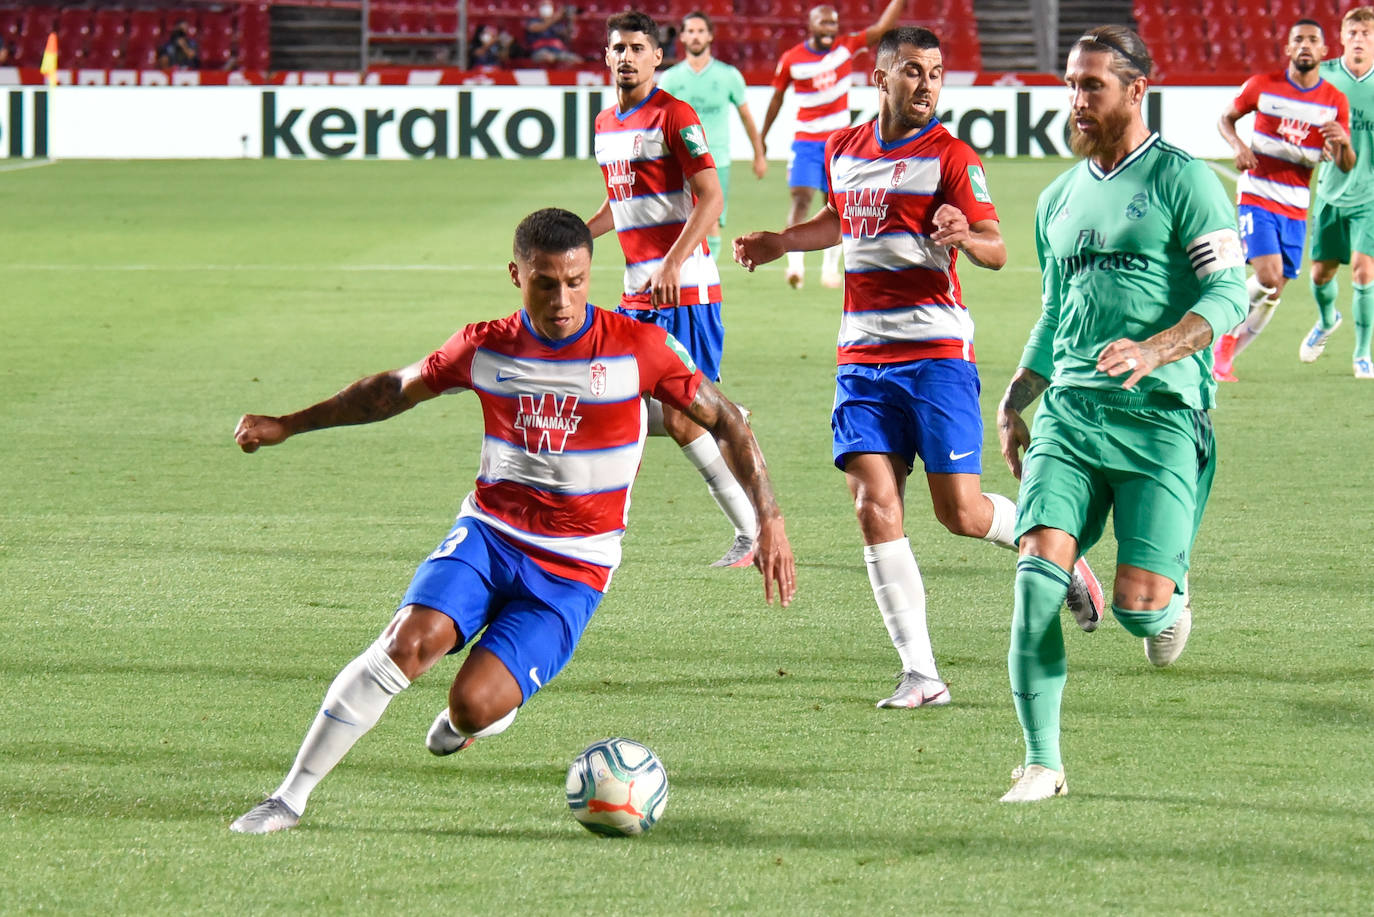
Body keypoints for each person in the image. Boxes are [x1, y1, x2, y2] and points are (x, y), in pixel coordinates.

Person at [228, 208, 796, 835]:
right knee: (405, 645)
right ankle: (289, 798)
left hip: (575, 567)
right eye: (545, 283)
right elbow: (391, 390)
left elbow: (727, 420)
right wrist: (289, 424)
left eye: (576, 282)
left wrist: (768, 519)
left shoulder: (639, 348)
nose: (562, 300)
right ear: (516, 275)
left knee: (472, 706)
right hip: (490, 535)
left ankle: (473, 720)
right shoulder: (486, 346)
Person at [735, 27, 1104, 711]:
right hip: (861, 360)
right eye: (912, 70)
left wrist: (967, 235)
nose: (927, 83)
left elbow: (996, 248)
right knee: (873, 504)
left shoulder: (951, 156)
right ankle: (921, 673)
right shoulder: (842, 148)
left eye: (935, 72)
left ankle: (1058, 548)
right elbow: (842, 219)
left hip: (935, 356)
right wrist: (782, 241)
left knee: (959, 512)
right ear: (881, 78)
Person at [994, 26, 1246, 802]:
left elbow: (1230, 294)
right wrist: (1016, 395)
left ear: (1137, 90)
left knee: (1141, 612)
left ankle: (1169, 598)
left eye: (1092, 85)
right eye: (1071, 84)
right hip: (1070, 414)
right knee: (1036, 579)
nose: (1076, 99)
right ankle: (1042, 761)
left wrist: (1156, 348)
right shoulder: (1056, 198)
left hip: (1161, 415)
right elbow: (1055, 310)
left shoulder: (1186, 180)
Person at [587, 10, 760, 569]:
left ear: (657, 57)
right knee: (623, 399)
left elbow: (711, 197)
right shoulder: (605, 123)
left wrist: (672, 262)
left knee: (680, 415)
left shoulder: (674, 114)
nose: (627, 57)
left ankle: (751, 528)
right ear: (607, 56)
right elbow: (621, 202)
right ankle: (724, 414)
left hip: (684, 292)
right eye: (619, 48)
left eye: (638, 48)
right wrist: (574, 237)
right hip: (636, 295)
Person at [1213, 19, 1352, 382]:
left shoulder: (1334, 101)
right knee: (1267, 276)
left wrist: (1343, 143)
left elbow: (1345, 164)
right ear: (1288, 49)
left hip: (1296, 204)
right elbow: (1225, 119)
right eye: (1298, 40)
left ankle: (1223, 362)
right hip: (1257, 194)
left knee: (1274, 291)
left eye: (1312, 40)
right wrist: (1237, 145)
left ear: (1324, 51)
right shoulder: (1262, 86)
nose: (1305, 45)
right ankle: (1220, 337)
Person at [760, 0, 907, 290]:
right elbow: (776, 98)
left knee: (838, 205)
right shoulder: (792, 59)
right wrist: (762, 136)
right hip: (806, 142)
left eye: (834, 23)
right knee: (800, 198)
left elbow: (881, 29)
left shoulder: (845, 48)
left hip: (840, 144)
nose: (830, 28)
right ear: (810, 25)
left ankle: (830, 268)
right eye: (824, 23)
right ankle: (795, 265)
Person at [657, 11, 769, 260]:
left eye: (701, 31)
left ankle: (709, 271)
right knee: (679, 220)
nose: (696, 36)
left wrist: (759, 154)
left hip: (716, 159)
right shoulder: (671, 78)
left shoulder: (728, 76)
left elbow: (746, 117)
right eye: (690, 31)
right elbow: (657, 121)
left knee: (711, 219)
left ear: (710, 36)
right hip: (679, 160)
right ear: (682, 37)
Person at [1302, 5, 1374, 378]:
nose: (1359, 39)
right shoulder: (1323, 78)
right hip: (1330, 192)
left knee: (1363, 272)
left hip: (1370, 196)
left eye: (1366, 34)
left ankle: (1362, 354)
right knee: (1320, 274)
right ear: (1342, 38)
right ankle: (1328, 319)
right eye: (1353, 33)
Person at [524, 2, 581, 66]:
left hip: (557, 51)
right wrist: (555, 18)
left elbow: (568, 37)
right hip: (540, 51)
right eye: (544, 5)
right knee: (546, 57)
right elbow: (538, 27)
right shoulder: (533, 21)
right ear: (538, 7)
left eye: (548, 5)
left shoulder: (558, 24)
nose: (546, 7)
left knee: (576, 60)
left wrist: (571, 21)